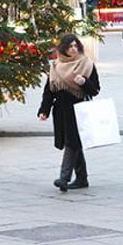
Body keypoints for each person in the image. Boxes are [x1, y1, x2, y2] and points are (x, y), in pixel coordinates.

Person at [38, 34, 100, 192]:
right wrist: (44, 110)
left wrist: (84, 82)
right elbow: (49, 91)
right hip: (61, 110)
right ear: (63, 49)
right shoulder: (56, 66)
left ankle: (64, 178)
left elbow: (95, 89)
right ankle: (81, 178)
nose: (73, 49)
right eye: (69, 46)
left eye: (75, 46)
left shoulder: (86, 64)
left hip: (78, 109)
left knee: (72, 143)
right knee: (73, 143)